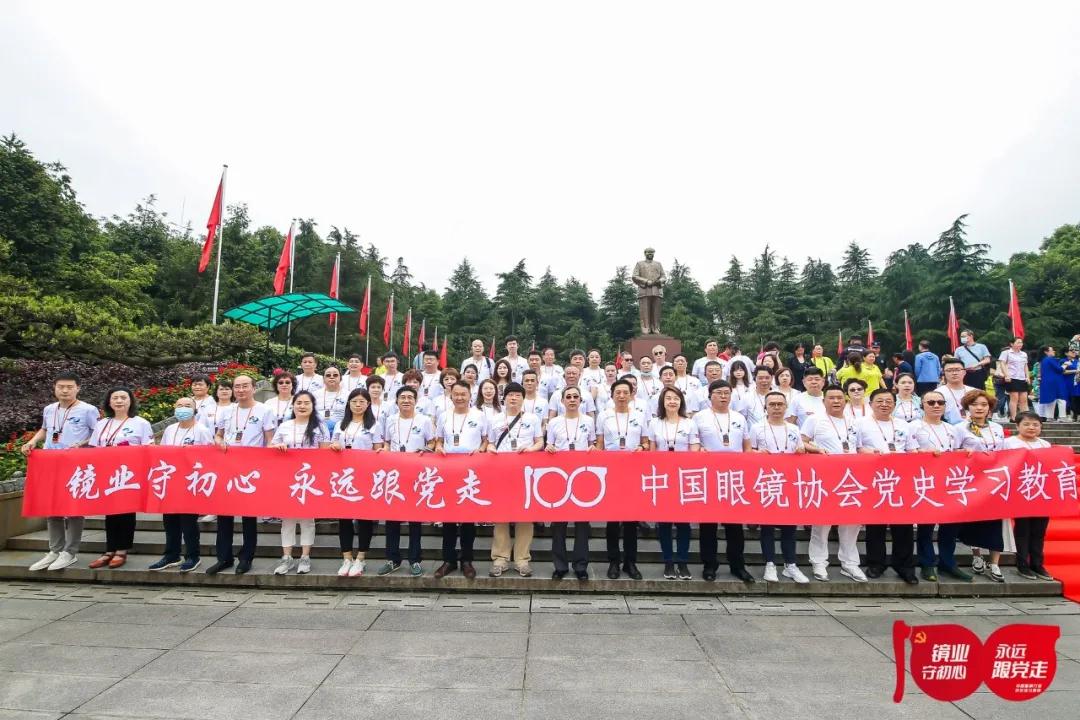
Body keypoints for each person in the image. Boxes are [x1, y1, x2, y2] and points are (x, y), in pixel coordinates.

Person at [23, 371, 100, 572]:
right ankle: (55, 550)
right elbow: (45, 429)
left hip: (75, 464)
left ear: (78, 388)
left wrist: (81, 445)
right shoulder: (50, 409)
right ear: (55, 388)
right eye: (61, 387)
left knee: (73, 508)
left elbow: (98, 434)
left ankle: (70, 552)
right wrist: (33, 441)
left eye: (69, 387)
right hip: (50, 463)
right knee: (52, 507)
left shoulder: (88, 410)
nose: (65, 390)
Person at [207, 374, 276, 575]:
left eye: (245, 386)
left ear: (254, 388)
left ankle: (246, 558)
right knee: (224, 515)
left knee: (248, 516)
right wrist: (219, 442)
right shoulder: (227, 411)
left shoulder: (265, 410)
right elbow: (218, 435)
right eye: (237, 386)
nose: (241, 390)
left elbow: (269, 440)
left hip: (251, 470)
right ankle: (223, 557)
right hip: (228, 467)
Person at [801, 385, 867, 582]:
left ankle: (850, 563)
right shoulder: (814, 420)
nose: (836, 401)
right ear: (824, 401)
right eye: (831, 398)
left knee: (852, 522)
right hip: (825, 476)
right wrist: (816, 449)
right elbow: (801, 442)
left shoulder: (855, 422)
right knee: (822, 522)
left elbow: (859, 447)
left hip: (851, 478)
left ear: (845, 401)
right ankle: (819, 562)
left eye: (839, 398)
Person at [86, 386, 154, 569]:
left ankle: (122, 550)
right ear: (109, 402)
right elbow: (94, 448)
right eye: (115, 397)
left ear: (130, 401)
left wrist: (128, 450)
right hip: (107, 473)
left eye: (123, 397)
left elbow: (149, 449)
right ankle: (109, 550)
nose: (119, 401)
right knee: (110, 511)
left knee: (126, 511)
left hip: (129, 474)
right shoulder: (102, 424)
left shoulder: (140, 423)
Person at [856, 388, 919, 584]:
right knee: (876, 524)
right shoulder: (860, 424)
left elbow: (912, 450)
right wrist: (867, 452)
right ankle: (876, 563)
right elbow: (855, 447)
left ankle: (905, 566)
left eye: (888, 401)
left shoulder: (903, 425)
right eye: (880, 401)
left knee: (904, 525)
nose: (884, 404)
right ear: (871, 404)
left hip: (901, 479)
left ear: (894, 404)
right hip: (873, 479)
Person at [693, 380, 753, 582]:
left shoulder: (739, 417)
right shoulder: (699, 417)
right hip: (708, 477)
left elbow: (746, 446)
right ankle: (709, 565)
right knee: (708, 526)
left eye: (727, 393)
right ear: (710, 395)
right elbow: (695, 445)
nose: (723, 396)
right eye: (719, 392)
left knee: (734, 526)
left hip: (734, 478)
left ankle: (738, 565)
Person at [748, 391, 809, 583]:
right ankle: (770, 563)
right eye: (772, 404)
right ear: (765, 407)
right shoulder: (757, 428)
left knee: (789, 527)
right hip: (766, 482)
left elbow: (800, 449)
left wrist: (801, 451)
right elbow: (749, 452)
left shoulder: (793, 428)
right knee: (767, 526)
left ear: (786, 407)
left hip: (789, 482)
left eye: (780, 404)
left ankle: (790, 564)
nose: (776, 408)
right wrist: (757, 454)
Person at [909, 390, 970, 581]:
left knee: (950, 526)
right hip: (925, 481)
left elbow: (956, 450)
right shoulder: (914, 426)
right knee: (926, 526)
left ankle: (947, 562)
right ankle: (927, 563)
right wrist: (923, 454)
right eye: (931, 402)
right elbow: (908, 451)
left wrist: (963, 452)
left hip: (949, 481)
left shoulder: (952, 428)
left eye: (940, 402)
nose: (936, 406)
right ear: (922, 405)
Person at [150, 397, 213, 572]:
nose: (183, 408)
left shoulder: (202, 430)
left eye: (187, 406)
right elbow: (163, 452)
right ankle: (171, 555)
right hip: (170, 480)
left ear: (194, 410)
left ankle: (193, 556)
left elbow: (209, 456)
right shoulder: (170, 429)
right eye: (179, 405)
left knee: (188, 522)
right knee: (170, 521)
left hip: (191, 482)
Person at [595, 378, 651, 580]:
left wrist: (642, 447)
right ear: (611, 395)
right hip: (611, 472)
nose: (621, 396)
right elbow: (600, 444)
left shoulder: (640, 415)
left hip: (633, 471)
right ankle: (613, 561)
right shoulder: (604, 416)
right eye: (617, 392)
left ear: (631, 395)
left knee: (631, 521)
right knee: (612, 521)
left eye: (625, 392)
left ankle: (630, 562)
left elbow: (646, 442)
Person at [377, 386, 436, 577]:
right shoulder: (391, 420)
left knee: (414, 520)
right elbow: (387, 442)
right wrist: (385, 450)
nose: (406, 400)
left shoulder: (424, 420)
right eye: (402, 397)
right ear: (396, 401)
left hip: (416, 474)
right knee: (392, 519)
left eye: (410, 397)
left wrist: (426, 449)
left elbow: (432, 442)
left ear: (416, 401)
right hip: (394, 474)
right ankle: (392, 558)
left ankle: (414, 559)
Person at [486, 382, 543, 577]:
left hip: (525, 472)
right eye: (510, 395)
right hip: (501, 473)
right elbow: (490, 442)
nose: (514, 398)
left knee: (525, 516)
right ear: (505, 398)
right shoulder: (495, 419)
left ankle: (522, 559)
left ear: (523, 398)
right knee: (501, 515)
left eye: (518, 395)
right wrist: (491, 449)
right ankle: (500, 558)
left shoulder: (532, 418)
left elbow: (540, 442)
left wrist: (531, 449)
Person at [433, 381, 489, 578]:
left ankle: (467, 560)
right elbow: (439, 440)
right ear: (451, 395)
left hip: (471, 473)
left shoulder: (479, 415)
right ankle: (448, 560)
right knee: (448, 518)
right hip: (448, 471)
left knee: (468, 520)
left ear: (470, 395)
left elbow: (486, 440)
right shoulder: (444, 415)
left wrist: (480, 450)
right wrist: (439, 447)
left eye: (463, 394)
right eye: (456, 394)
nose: (459, 397)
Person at [271, 390, 329, 574]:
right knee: (287, 519)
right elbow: (270, 448)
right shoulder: (285, 426)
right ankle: (287, 557)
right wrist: (278, 447)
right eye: (299, 403)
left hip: (309, 479)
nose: (302, 406)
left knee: (307, 520)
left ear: (313, 406)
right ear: (293, 405)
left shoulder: (320, 427)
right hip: (287, 478)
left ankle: (305, 557)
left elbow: (325, 454)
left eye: (306, 403)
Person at [955, 389, 1007, 583]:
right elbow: (954, 451)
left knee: (995, 521)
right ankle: (976, 555)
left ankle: (994, 563)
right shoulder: (960, 428)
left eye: (984, 405)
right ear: (967, 407)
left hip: (995, 480)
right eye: (975, 404)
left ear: (989, 408)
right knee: (973, 521)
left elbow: (1004, 451)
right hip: (971, 481)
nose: (979, 408)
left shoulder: (997, 428)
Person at [647, 387, 699, 580]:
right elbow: (652, 451)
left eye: (676, 398)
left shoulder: (689, 423)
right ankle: (668, 562)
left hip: (684, 478)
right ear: (662, 402)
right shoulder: (654, 423)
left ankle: (683, 562)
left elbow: (694, 450)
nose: (672, 401)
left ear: (681, 402)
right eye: (668, 398)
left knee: (684, 524)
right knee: (664, 524)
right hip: (662, 479)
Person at [545, 385, 596, 581]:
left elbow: (593, 444)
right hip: (560, 478)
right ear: (562, 401)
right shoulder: (554, 422)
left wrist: (593, 449)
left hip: (583, 477)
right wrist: (549, 448)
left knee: (582, 524)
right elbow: (549, 445)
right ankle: (560, 566)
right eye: (569, 397)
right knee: (559, 524)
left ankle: (581, 566)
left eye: (576, 397)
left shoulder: (589, 421)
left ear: (581, 400)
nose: (572, 400)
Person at [330, 388, 381, 577]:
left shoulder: (374, 425)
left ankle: (360, 558)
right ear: (348, 404)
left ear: (368, 404)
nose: (358, 405)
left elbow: (377, 450)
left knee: (364, 518)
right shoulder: (340, 424)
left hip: (365, 476)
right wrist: (335, 447)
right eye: (354, 401)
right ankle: (346, 558)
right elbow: (332, 445)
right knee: (344, 519)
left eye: (362, 402)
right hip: (343, 478)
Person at [1003, 412, 1055, 581]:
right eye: (1026, 424)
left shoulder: (1045, 444)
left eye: (1035, 424)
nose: (1031, 427)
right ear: (1017, 426)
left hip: (1041, 492)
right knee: (1023, 529)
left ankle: (1037, 564)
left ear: (1040, 427)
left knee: (1039, 530)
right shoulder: (1009, 443)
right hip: (1020, 492)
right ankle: (1023, 564)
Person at [998, 337, 1032, 420]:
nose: (1020, 344)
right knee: (1014, 398)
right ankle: (1013, 417)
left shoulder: (1024, 354)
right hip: (1012, 377)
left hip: (1022, 378)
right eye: (1018, 342)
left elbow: (1025, 366)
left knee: (1024, 399)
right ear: (1012, 344)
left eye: (1021, 342)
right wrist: (1006, 375)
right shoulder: (1006, 353)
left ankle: (1025, 417)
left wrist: (1027, 377)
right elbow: (1002, 364)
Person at [1036, 345, 1068, 421]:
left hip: (1046, 382)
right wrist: (1065, 364)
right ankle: (1062, 417)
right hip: (1056, 381)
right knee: (1061, 398)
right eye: (1052, 350)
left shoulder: (1043, 360)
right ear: (1046, 352)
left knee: (1050, 399)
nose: (1054, 351)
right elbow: (1059, 369)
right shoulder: (1050, 359)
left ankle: (1050, 417)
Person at [936, 357, 970, 423]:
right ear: (944, 373)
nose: (954, 373)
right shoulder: (938, 393)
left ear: (964, 372)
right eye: (949, 370)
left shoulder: (974, 392)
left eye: (958, 370)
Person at [317, 366, 347, 435]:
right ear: (323, 379)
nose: (331, 377)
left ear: (340, 378)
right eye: (328, 375)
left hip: (341, 432)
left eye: (335, 375)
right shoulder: (314, 394)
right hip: (319, 432)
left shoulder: (348, 395)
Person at [1065, 348, 1080, 422]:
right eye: (1071, 352)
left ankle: (1076, 415)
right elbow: (1062, 371)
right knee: (1068, 399)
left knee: (1076, 398)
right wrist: (1075, 371)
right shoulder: (1064, 361)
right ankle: (1069, 415)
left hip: (1077, 383)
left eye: (1074, 352)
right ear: (1066, 353)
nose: (1074, 353)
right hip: (1068, 383)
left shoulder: (1077, 361)